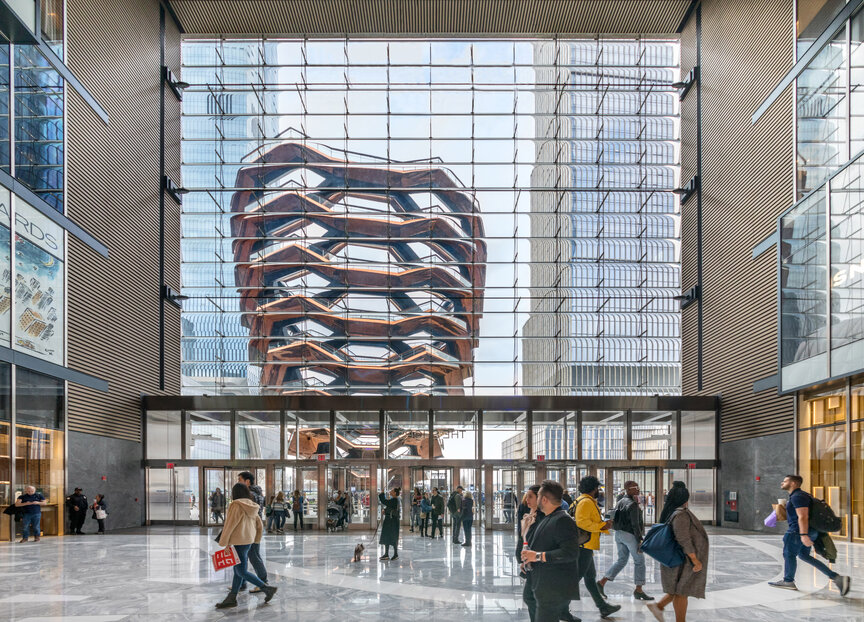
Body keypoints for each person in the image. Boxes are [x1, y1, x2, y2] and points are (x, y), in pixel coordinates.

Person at [767, 475, 850, 595]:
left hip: (797, 531)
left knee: (789, 554)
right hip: (808, 530)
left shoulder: (797, 497)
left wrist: (804, 534)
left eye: (785, 481)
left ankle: (788, 581)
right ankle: (837, 578)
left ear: (794, 483)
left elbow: (803, 516)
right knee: (804, 555)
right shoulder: (802, 495)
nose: (782, 483)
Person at [646, 481, 709, 622]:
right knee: (681, 592)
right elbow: (683, 539)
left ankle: (658, 607)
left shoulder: (672, 512)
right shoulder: (680, 515)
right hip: (682, 561)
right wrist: (695, 559)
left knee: (677, 590)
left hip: (677, 559)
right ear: (684, 499)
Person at [520, 480, 583, 622]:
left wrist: (536, 556)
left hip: (553, 586)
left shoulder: (563, 520)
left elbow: (570, 553)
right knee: (530, 600)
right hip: (544, 582)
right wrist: (529, 559)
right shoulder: (549, 518)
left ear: (544, 499)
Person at [215, 483, 277, 609]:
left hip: (238, 541)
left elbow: (230, 524)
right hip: (248, 540)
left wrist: (225, 542)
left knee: (241, 570)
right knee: (237, 570)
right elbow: (259, 523)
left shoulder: (236, 505)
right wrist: (256, 539)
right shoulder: (252, 505)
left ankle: (266, 588)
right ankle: (232, 598)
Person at [574, 476, 621, 619]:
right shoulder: (586, 502)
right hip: (584, 545)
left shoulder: (581, 500)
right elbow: (581, 522)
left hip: (585, 544)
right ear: (593, 488)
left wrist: (602, 525)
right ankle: (561, 608)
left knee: (589, 577)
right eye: (597, 488)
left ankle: (603, 607)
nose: (598, 491)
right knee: (575, 578)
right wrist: (602, 526)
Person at [597, 480, 652, 601]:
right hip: (629, 535)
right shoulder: (632, 504)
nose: (638, 489)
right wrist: (639, 540)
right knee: (639, 561)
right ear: (629, 490)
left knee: (622, 560)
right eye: (635, 487)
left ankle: (602, 582)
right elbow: (635, 524)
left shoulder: (620, 501)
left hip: (619, 534)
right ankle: (639, 590)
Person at [236, 472, 268, 594]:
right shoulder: (258, 493)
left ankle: (263, 582)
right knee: (248, 555)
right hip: (255, 527)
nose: (238, 482)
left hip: (251, 528)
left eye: (240, 479)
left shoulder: (250, 495)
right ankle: (241, 582)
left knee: (253, 555)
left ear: (247, 481)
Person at [378, 487, 401, 561]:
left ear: (394, 493)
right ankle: (386, 554)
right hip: (390, 520)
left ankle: (395, 554)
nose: (390, 491)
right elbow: (390, 507)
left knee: (393, 537)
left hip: (392, 522)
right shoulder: (394, 500)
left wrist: (382, 493)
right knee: (387, 537)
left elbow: (384, 501)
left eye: (392, 490)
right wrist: (385, 510)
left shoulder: (395, 500)